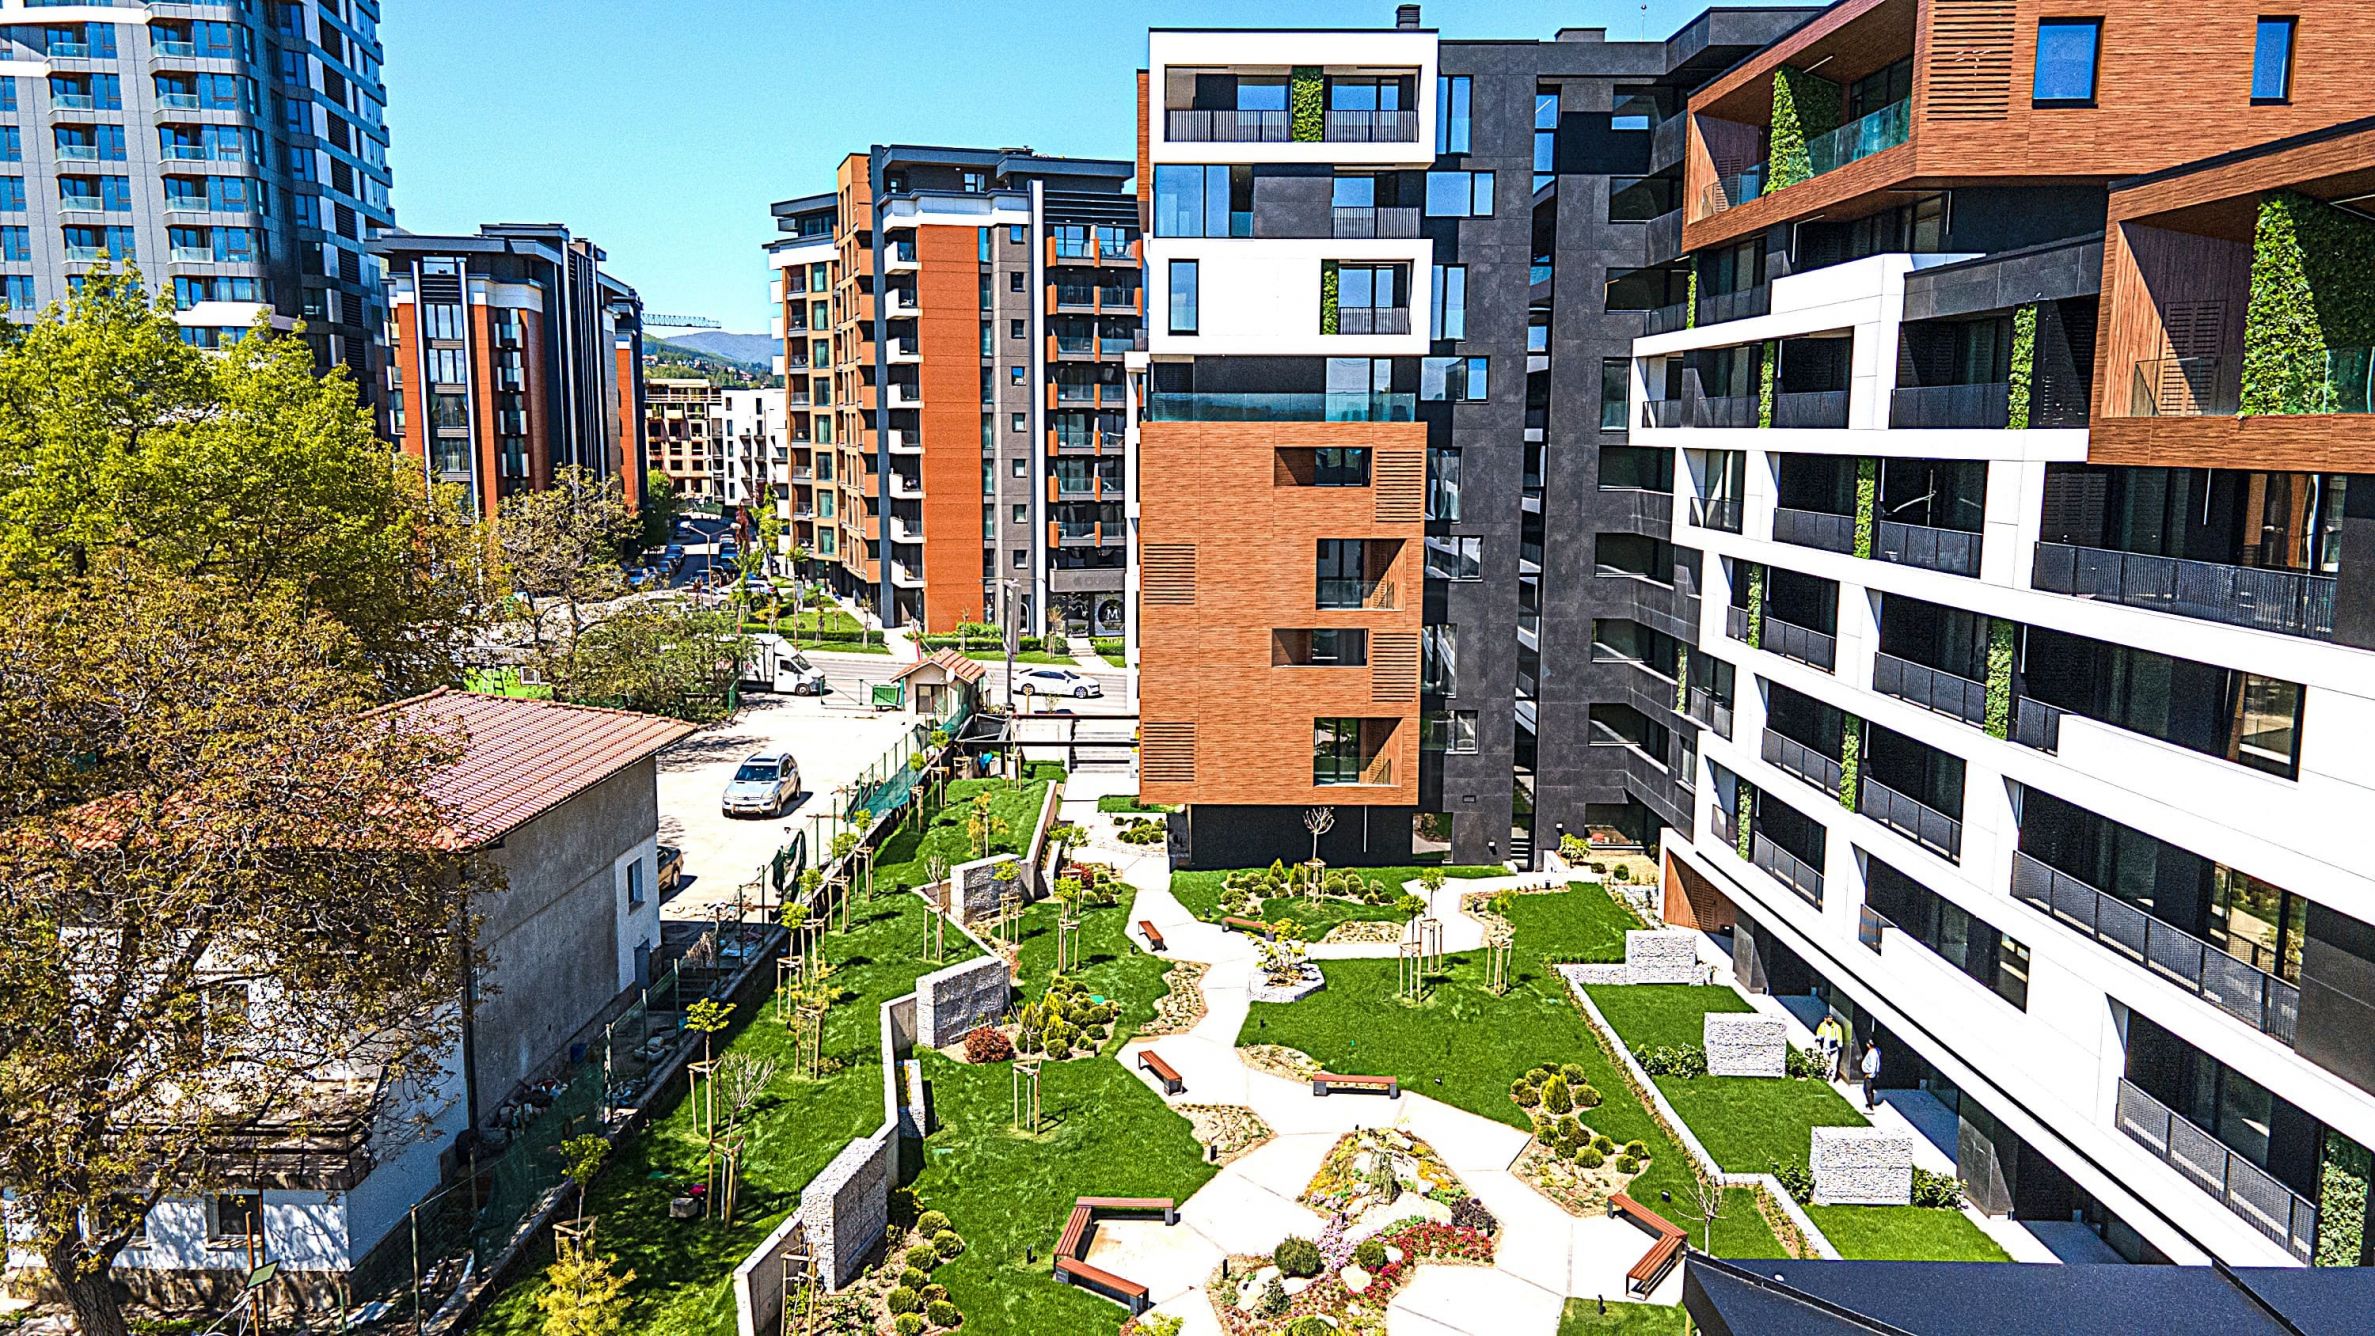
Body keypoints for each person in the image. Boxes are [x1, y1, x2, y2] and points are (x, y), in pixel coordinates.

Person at [1814, 1015, 1844, 1082]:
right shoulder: (1822, 1025)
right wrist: (1818, 1044)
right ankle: (1826, 1075)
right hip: (1825, 1048)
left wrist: (1839, 1047)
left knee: (1833, 1064)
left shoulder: (1837, 1027)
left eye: (1831, 1018)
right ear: (1825, 1018)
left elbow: (1839, 1039)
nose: (1830, 1019)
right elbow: (1819, 1035)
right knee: (1825, 1062)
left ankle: (1832, 1077)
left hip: (1834, 1049)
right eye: (1829, 1018)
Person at [1859, 1040, 1882, 1111]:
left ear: (1869, 1045)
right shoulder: (1875, 1051)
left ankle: (1870, 1106)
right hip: (1871, 1074)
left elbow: (1873, 1066)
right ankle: (1870, 1103)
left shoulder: (1872, 1053)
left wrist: (1870, 1075)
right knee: (1869, 1089)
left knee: (1867, 1090)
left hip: (1869, 1074)